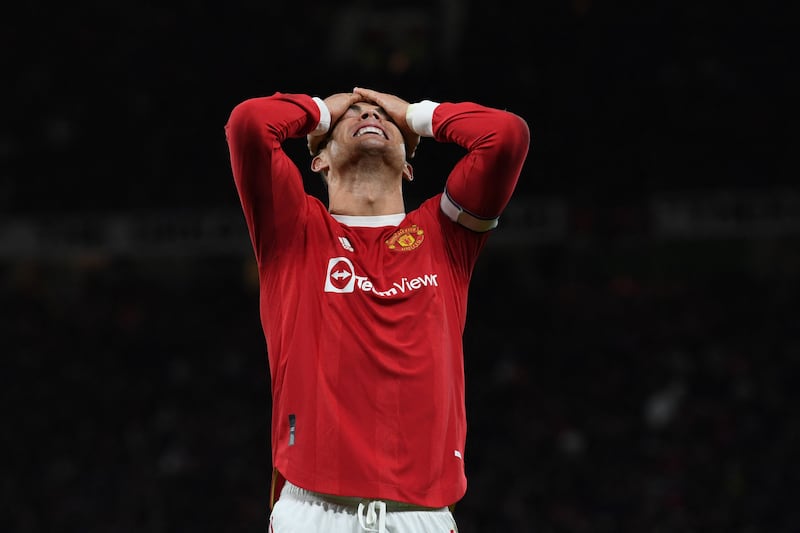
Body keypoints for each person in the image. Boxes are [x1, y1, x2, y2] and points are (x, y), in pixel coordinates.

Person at [224, 87, 530, 532]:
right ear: (319, 161)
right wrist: (321, 111)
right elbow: (250, 124)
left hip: (421, 517)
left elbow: (505, 136)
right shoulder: (292, 229)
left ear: (408, 166)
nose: (370, 114)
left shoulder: (445, 235)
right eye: (356, 114)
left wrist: (415, 114)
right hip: (313, 510)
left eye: (381, 115)